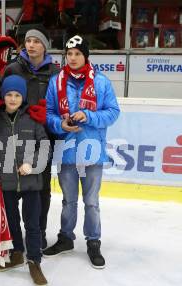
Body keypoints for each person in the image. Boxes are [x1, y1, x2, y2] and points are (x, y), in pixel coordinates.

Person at [43, 35, 120, 269]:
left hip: (92, 151)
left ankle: (93, 241)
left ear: (85, 56)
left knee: (91, 202)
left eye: (77, 53)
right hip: (67, 152)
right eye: (69, 54)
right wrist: (60, 125)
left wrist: (89, 116)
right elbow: (48, 113)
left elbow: (113, 112)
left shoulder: (102, 82)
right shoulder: (56, 82)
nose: (73, 58)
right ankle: (66, 238)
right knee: (68, 201)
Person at [0, 26, 60, 249]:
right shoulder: (13, 68)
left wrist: (49, 115)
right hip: (13, 135)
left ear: (45, 46)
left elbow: (61, 104)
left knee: (41, 188)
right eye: (28, 41)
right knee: (11, 188)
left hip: (42, 137)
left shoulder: (54, 72)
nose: (31, 45)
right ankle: (11, 235)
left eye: (36, 41)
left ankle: (38, 232)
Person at [0, 75, 50, 286]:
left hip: (31, 182)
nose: (13, 99)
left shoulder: (32, 119)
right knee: (12, 221)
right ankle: (17, 254)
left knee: (32, 224)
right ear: (3, 96)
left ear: (23, 97)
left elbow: (44, 146)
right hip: (7, 182)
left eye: (17, 95)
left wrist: (31, 164)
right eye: (9, 95)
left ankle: (34, 261)